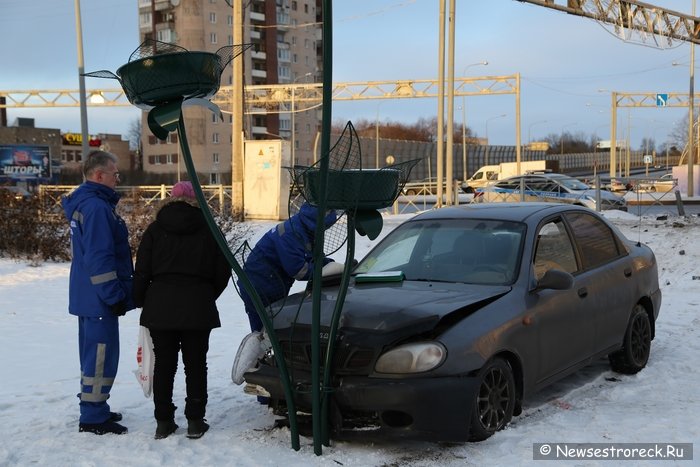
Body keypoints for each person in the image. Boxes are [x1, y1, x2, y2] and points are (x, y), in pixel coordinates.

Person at [133, 181, 231, 440]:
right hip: (197, 305)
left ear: (171, 200)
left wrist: (142, 299)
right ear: (197, 200)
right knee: (196, 364)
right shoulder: (210, 228)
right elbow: (223, 269)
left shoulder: (155, 229)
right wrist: (207, 294)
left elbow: (142, 270)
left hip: (161, 305)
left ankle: (163, 422)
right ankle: (196, 421)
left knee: (164, 365)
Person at [62, 150, 134, 435]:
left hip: (86, 295)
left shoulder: (87, 203)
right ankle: (92, 417)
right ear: (98, 175)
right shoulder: (96, 208)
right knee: (101, 357)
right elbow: (100, 257)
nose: (118, 179)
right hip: (99, 298)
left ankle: (96, 407)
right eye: (115, 174)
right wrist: (113, 295)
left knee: (92, 355)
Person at [238, 202, 338, 333]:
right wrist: (326, 270)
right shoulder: (291, 234)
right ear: (315, 224)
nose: (325, 230)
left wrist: (330, 264)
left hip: (272, 283)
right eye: (324, 226)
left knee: (273, 328)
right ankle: (260, 351)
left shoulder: (304, 228)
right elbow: (299, 270)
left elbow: (311, 258)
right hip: (260, 286)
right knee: (265, 332)